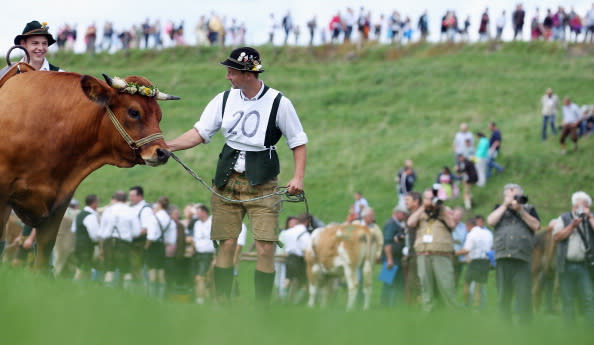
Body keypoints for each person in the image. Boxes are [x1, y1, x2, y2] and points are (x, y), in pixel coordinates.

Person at [166, 46, 308, 303]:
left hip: (263, 183)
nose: (227, 76)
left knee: (265, 247)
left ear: (247, 74)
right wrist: (169, 146)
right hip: (226, 181)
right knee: (226, 243)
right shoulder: (223, 99)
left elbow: (298, 141)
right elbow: (200, 132)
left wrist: (298, 178)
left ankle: (262, 308)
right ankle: (222, 303)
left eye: (231, 71)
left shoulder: (279, 102)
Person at [487, 183, 540, 323]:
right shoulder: (499, 209)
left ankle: (526, 331)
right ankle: (506, 330)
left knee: (524, 297)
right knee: (503, 297)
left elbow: (536, 226)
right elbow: (490, 221)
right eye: (510, 195)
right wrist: (505, 205)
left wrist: (521, 211)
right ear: (505, 197)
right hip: (503, 258)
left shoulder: (529, 209)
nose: (514, 198)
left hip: (522, 259)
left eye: (516, 195)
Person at [407, 188, 458, 311]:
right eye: (429, 198)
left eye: (433, 198)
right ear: (424, 200)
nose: (432, 201)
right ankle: (428, 315)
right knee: (425, 287)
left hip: (441, 254)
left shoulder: (445, 211)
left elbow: (452, 225)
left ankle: (454, 314)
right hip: (423, 254)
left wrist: (442, 209)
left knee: (447, 286)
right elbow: (410, 223)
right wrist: (423, 207)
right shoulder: (420, 213)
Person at [552, 191, 594, 324]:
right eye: (578, 205)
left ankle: (589, 330)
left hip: (585, 265)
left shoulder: (591, 218)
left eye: (584, 206)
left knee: (588, 298)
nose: (580, 208)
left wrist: (590, 217)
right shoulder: (564, 218)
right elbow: (557, 237)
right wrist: (572, 225)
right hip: (566, 265)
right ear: (573, 205)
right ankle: (570, 331)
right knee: (567, 299)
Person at [100, 191, 140, 289]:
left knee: (109, 270)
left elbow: (101, 231)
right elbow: (137, 232)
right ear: (125, 200)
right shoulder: (130, 211)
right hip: (124, 243)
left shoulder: (108, 210)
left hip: (109, 242)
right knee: (126, 270)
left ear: (115, 199)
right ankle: (126, 296)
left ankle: (108, 296)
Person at [455, 216, 493, 308]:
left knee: (467, 283)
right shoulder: (487, 233)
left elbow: (466, 250)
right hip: (485, 261)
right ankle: (477, 306)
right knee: (479, 285)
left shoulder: (471, 234)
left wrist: (453, 253)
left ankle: (466, 303)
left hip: (475, 262)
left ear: (468, 226)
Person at [146, 196, 175, 299]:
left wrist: (146, 247)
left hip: (153, 245)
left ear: (159, 204)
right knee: (161, 271)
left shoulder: (154, 217)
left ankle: (151, 297)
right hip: (162, 247)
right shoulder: (169, 219)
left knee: (152, 271)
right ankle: (160, 298)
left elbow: (151, 236)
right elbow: (171, 240)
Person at [278, 214, 311, 304]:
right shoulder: (305, 233)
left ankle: (283, 300)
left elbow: (283, 245)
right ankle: (297, 302)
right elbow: (306, 248)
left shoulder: (288, 232)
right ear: (307, 222)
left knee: (288, 279)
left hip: (289, 258)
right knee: (304, 282)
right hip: (299, 259)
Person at [128, 186, 156, 288]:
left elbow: (146, 229)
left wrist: (130, 234)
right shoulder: (133, 208)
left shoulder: (145, 209)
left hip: (140, 244)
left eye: (132, 195)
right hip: (133, 243)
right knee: (133, 269)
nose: (130, 198)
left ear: (140, 196)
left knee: (138, 269)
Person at [381, 205, 407, 307]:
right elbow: (387, 242)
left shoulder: (398, 224)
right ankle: (385, 306)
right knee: (388, 283)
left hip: (397, 258)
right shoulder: (391, 224)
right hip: (391, 259)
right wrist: (389, 259)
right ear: (397, 213)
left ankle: (395, 305)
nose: (404, 216)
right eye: (403, 214)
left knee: (398, 283)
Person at [72, 195, 101, 281]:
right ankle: (75, 288)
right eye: (98, 202)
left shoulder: (79, 214)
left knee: (83, 268)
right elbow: (95, 235)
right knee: (83, 269)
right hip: (87, 247)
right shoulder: (90, 216)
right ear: (94, 203)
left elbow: (73, 229)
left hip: (79, 245)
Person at [192, 203, 215, 304]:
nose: (196, 214)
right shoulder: (197, 224)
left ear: (204, 212)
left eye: (198, 212)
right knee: (199, 277)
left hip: (208, 255)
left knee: (201, 277)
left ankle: (200, 301)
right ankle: (205, 299)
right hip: (197, 254)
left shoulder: (212, 222)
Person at [403, 191, 421, 305]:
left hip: (418, 255)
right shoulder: (410, 216)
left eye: (407, 200)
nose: (405, 203)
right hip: (411, 254)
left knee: (415, 284)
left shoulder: (421, 216)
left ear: (416, 201)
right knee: (410, 285)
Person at [451, 206, 467, 288]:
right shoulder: (446, 224)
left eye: (459, 215)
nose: (457, 217)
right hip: (446, 256)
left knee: (456, 279)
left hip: (458, 256)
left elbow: (466, 241)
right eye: (456, 214)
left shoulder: (464, 227)